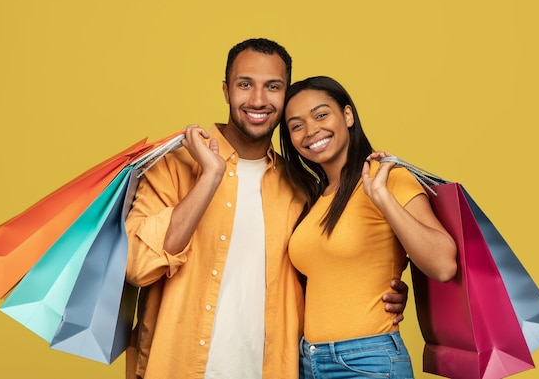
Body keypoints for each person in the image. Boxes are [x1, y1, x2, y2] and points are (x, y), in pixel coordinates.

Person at [124, 39, 410, 379]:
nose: (258, 100)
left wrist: (376, 290)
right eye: (245, 84)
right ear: (226, 91)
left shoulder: (302, 188)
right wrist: (210, 176)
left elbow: (327, 268)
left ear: (285, 95)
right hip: (177, 368)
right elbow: (138, 267)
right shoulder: (171, 168)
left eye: (272, 87)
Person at [279, 76, 458, 379]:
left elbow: (443, 265)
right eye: (296, 126)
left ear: (347, 115)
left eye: (321, 115)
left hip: (368, 361)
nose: (311, 131)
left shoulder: (387, 179)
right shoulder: (313, 198)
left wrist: (383, 197)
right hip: (310, 362)